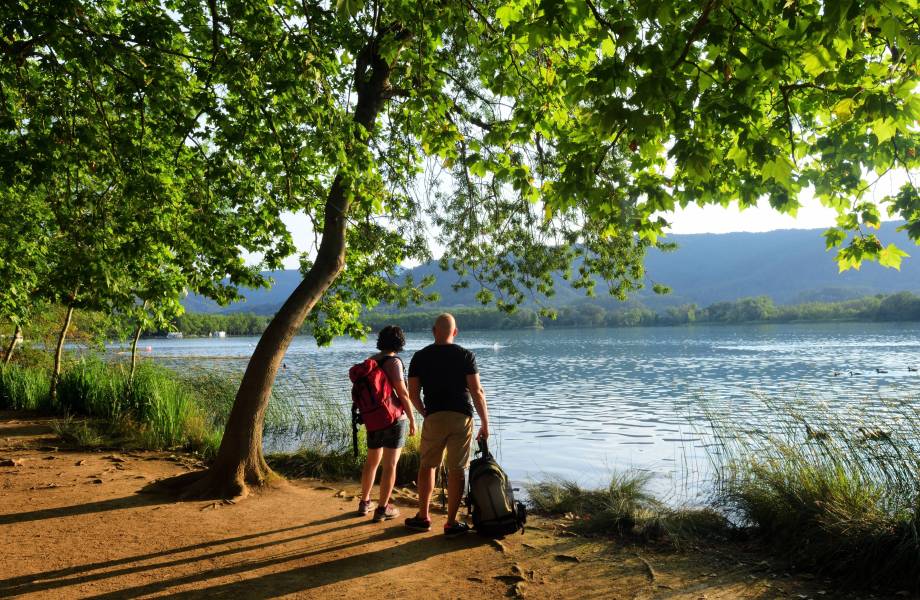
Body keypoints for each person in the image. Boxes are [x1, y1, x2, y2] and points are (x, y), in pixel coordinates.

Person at [404, 313, 489, 536]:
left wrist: (426, 414)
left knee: (427, 466)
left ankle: (423, 517)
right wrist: (485, 423)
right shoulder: (465, 356)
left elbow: (412, 394)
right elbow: (477, 392)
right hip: (461, 416)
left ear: (433, 331)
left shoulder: (419, 357)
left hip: (435, 416)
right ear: (455, 332)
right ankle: (451, 523)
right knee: (457, 469)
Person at [357, 325, 417, 522]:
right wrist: (413, 420)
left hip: (373, 419)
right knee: (390, 465)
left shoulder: (371, 361)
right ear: (400, 342)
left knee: (372, 462)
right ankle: (383, 508)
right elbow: (403, 394)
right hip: (394, 420)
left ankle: (364, 502)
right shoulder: (394, 362)